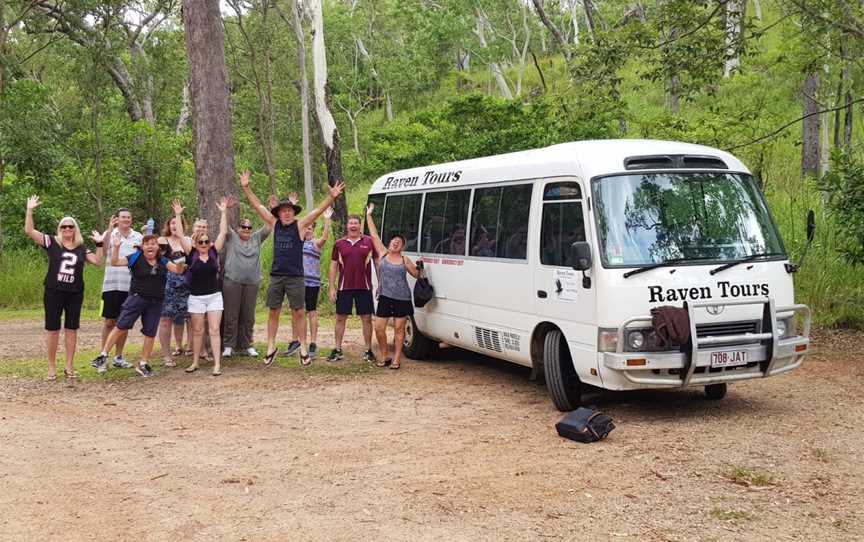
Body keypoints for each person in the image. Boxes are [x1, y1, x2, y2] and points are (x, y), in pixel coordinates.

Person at [238, 170, 344, 366]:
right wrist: (246, 187)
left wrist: (331, 197)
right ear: (278, 213)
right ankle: (271, 347)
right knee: (273, 311)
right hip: (277, 276)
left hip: (296, 277)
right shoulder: (274, 223)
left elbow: (318, 212)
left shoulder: (300, 225)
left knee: (299, 312)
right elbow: (257, 205)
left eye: (289, 210)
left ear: (293, 212)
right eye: (283, 210)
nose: (286, 213)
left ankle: (303, 348)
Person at [24, 196, 105, 380]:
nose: (67, 229)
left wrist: (100, 243)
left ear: (75, 229)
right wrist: (30, 210)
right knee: (52, 329)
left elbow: (98, 261)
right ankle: (51, 367)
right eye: (64, 226)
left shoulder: (81, 247)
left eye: (70, 226)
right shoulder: (52, 242)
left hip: (75, 293)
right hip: (54, 291)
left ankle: (69, 366)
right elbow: (29, 230)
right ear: (59, 229)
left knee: (71, 329)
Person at [92, 233, 185, 377]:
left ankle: (143, 364)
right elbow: (115, 262)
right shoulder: (135, 258)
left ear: (157, 248)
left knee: (150, 332)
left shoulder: (163, 261)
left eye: (153, 243)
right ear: (142, 246)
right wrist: (116, 247)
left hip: (155, 301)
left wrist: (180, 261)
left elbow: (178, 271)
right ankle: (103, 355)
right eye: (147, 243)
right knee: (121, 326)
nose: (150, 246)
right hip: (137, 298)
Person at [365, 203, 420, 370]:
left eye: (399, 242)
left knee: (399, 328)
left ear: (402, 246)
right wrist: (369, 215)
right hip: (385, 296)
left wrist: (422, 269)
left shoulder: (405, 260)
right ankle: (384, 354)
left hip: (402, 298)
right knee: (379, 328)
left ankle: (396, 358)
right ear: (389, 244)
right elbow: (374, 235)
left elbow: (416, 274)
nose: (395, 243)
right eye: (393, 241)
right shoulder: (383, 254)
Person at [179, 197, 230, 376]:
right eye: (201, 242)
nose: (204, 245)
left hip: (214, 296)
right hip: (196, 298)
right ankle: (195, 362)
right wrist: (178, 215)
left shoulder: (214, 251)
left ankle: (217, 364)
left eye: (206, 242)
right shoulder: (191, 253)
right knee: (198, 330)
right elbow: (179, 234)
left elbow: (223, 233)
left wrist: (223, 212)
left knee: (214, 330)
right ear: (196, 243)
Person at [95, 207, 143, 372]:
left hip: (130, 285)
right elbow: (103, 247)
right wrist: (109, 228)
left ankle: (119, 356)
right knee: (109, 321)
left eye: (128, 217)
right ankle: (103, 357)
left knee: (124, 322)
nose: (126, 220)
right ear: (117, 219)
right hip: (111, 285)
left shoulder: (138, 237)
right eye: (123, 217)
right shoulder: (110, 233)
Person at [327, 213, 377, 363]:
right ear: (347, 226)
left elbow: (378, 263)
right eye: (351, 223)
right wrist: (331, 287)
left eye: (356, 223)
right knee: (340, 318)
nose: (353, 226)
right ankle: (337, 349)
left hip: (364, 286)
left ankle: (368, 350)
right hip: (344, 287)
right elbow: (333, 265)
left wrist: (380, 284)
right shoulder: (339, 243)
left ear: (360, 225)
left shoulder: (369, 242)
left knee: (367, 319)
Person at [221, 212, 272, 358]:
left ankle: (247, 345)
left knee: (248, 316)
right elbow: (224, 228)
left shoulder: (256, 238)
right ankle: (229, 346)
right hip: (232, 282)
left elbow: (269, 226)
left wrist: (271, 209)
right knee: (231, 315)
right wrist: (225, 211)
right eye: (243, 227)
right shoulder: (232, 238)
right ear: (238, 228)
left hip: (252, 283)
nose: (246, 229)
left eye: (249, 227)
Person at [284, 206, 332, 359]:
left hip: (311, 283)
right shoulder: (297, 242)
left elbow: (324, 238)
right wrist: (292, 208)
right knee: (296, 312)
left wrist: (326, 219)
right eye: (306, 227)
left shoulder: (315, 244)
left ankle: (313, 343)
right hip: (297, 282)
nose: (308, 230)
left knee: (311, 311)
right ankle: (295, 340)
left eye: (311, 228)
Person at [157, 200, 191, 367]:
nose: (175, 226)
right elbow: (158, 259)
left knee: (186, 318)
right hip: (168, 284)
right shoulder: (163, 241)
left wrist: (179, 215)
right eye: (172, 223)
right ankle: (166, 354)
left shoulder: (188, 241)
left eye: (177, 223)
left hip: (187, 284)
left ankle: (189, 348)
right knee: (165, 319)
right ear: (168, 226)